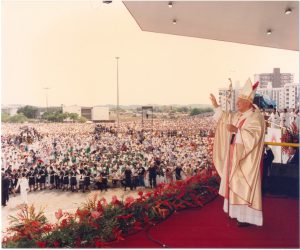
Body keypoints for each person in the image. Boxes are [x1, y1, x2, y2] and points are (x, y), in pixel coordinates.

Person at [210, 78, 265, 227]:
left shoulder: (255, 117)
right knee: (234, 185)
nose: (236, 103)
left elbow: (254, 136)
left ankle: (247, 217)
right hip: (235, 156)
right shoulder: (240, 115)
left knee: (244, 186)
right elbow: (225, 119)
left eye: (240, 101)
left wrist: (237, 131)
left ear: (248, 102)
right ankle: (237, 214)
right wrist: (216, 106)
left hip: (247, 159)